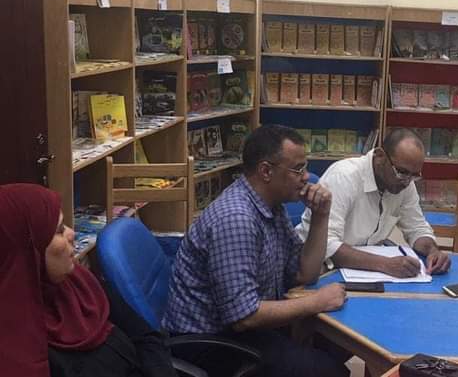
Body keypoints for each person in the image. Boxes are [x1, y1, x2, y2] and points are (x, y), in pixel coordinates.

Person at [163, 124, 349, 377]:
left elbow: (305, 274)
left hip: (241, 330)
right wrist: (317, 302)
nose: (307, 177)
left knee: (333, 346)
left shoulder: (271, 205)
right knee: (330, 371)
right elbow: (244, 316)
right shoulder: (236, 219)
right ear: (266, 171)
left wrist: (321, 215)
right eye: (298, 169)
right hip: (209, 342)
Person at [0, 183, 175, 377]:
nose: (71, 233)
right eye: (59, 230)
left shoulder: (79, 283)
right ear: (27, 254)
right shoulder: (19, 351)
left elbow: (146, 336)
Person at [296, 128, 451, 277]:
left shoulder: (405, 182)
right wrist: (385, 264)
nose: (407, 181)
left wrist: (433, 251)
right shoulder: (344, 177)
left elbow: (417, 228)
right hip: (317, 269)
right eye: (401, 172)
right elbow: (327, 244)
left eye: (414, 175)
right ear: (380, 156)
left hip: (365, 270)